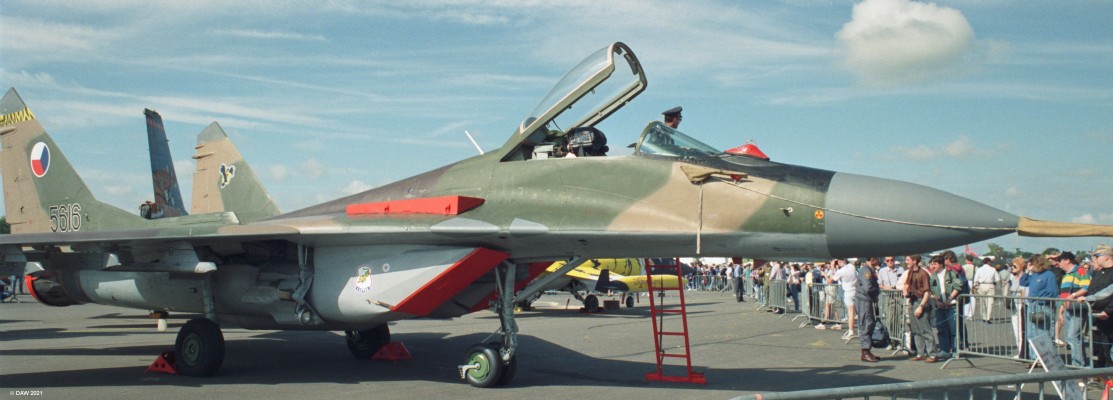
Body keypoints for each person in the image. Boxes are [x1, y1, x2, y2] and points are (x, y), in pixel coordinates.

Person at [1078, 245, 1113, 368]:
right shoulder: (1098, 273)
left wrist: (1108, 311)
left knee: (1108, 348)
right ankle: (1099, 375)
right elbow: (1096, 292)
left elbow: (1109, 293)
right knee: (1097, 348)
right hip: (1095, 314)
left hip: (1108, 317)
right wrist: (1088, 299)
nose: (1095, 259)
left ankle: (1110, 378)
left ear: (1106, 257)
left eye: (1097, 256)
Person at [1020, 254, 1058, 361]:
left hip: (1043, 306)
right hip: (1032, 306)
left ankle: (1045, 358)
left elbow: (1052, 291)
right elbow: (1023, 282)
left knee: (1043, 332)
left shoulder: (1049, 274)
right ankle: (1033, 358)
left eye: (1032, 264)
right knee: (1031, 332)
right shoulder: (1033, 275)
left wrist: (1038, 298)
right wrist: (1027, 271)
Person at [1056, 251, 1090, 366]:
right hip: (1067, 309)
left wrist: (1073, 296)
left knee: (1072, 337)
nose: (1058, 263)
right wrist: (1060, 312)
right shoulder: (1065, 275)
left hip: (1077, 308)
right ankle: (1080, 362)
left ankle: (1078, 364)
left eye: (1059, 260)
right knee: (1073, 338)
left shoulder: (1081, 271)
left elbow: (1086, 287)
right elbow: (1063, 295)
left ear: (1067, 260)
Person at [929, 255, 963, 361]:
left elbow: (958, 286)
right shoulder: (933, 276)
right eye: (931, 264)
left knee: (953, 329)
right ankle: (944, 350)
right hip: (939, 307)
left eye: (934, 264)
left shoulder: (952, 274)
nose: (932, 266)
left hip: (951, 305)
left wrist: (949, 300)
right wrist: (937, 301)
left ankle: (955, 350)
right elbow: (932, 290)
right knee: (941, 329)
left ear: (941, 264)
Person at [904, 255, 935, 361]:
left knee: (925, 329)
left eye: (908, 260)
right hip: (912, 301)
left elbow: (927, 292)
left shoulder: (923, 274)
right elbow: (907, 284)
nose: (906, 262)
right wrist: (906, 290)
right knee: (915, 329)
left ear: (915, 261)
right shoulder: (910, 272)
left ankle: (932, 354)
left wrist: (921, 306)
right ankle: (920, 353)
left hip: (920, 301)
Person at [857, 256, 881, 362]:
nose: (878, 260)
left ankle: (868, 351)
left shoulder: (870, 270)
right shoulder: (866, 270)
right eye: (877, 258)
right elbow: (868, 288)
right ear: (872, 259)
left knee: (869, 323)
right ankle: (865, 352)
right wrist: (877, 291)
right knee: (866, 324)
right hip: (864, 300)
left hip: (867, 300)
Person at [1007, 257, 1028, 359]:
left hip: (1021, 304)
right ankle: (1020, 350)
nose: (1012, 268)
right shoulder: (1012, 277)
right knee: (1016, 329)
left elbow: (1024, 290)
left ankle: (1023, 352)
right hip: (1014, 304)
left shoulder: (1024, 277)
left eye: (1015, 266)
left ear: (1021, 266)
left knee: (1021, 328)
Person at [835, 259, 858, 338]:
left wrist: (832, 268)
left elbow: (831, 279)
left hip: (848, 292)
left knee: (850, 313)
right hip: (856, 290)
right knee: (858, 312)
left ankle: (851, 331)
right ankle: (861, 330)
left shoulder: (841, 271)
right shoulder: (852, 267)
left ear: (839, 262)